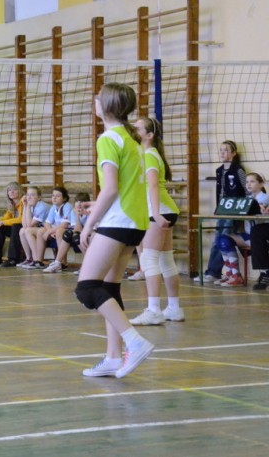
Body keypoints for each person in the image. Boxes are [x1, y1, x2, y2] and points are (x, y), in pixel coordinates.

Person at [75, 83, 152, 379]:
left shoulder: (108, 138)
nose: (94, 101)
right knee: (108, 288)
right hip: (135, 221)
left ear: (106, 105)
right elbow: (124, 188)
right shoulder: (131, 139)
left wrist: (89, 224)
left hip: (118, 222)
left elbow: (110, 189)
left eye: (97, 98)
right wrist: (97, 206)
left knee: (86, 288)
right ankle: (112, 357)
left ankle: (134, 341)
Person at [128, 117, 185, 324]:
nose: (133, 130)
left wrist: (157, 214)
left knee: (149, 259)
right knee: (165, 260)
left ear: (149, 135)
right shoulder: (148, 154)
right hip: (165, 210)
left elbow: (153, 185)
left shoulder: (149, 155)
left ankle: (153, 311)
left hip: (158, 211)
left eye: (138, 128)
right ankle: (174, 308)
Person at [196, 140, 247, 283]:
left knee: (224, 239)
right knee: (216, 241)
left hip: (234, 211)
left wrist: (245, 209)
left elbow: (246, 189)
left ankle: (219, 272)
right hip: (221, 210)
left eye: (226, 150)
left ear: (233, 153)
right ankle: (213, 272)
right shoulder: (219, 170)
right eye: (221, 150)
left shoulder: (238, 170)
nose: (222, 153)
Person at [214, 172, 267, 288]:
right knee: (222, 240)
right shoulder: (247, 199)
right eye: (247, 182)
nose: (248, 184)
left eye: (252, 181)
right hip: (248, 235)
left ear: (261, 184)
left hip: (260, 238)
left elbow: (261, 212)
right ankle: (233, 275)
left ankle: (240, 277)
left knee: (225, 239)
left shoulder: (265, 198)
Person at [45, 192, 91, 273]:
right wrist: (77, 215)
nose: (79, 204)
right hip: (82, 233)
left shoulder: (90, 212)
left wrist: (77, 216)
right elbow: (76, 229)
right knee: (68, 234)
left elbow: (80, 230)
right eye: (77, 201)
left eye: (82, 202)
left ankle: (88, 265)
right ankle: (57, 263)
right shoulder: (74, 211)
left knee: (75, 236)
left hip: (93, 234)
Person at [27, 186, 71, 270]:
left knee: (59, 231)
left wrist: (50, 231)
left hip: (68, 229)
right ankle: (39, 260)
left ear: (64, 198)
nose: (54, 198)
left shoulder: (67, 206)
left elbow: (65, 224)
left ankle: (63, 262)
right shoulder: (53, 207)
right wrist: (50, 231)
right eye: (53, 195)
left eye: (57, 196)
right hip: (56, 229)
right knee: (41, 231)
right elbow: (47, 223)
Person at [0, 182, 26, 267]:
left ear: (20, 191)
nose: (11, 192)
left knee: (15, 226)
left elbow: (21, 219)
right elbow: (6, 217)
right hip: (16, 230)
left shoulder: (23, 202)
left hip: (25, 229)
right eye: (9, 190)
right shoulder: (12, 204)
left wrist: (2, 222)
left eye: (14, 189)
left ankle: (13, 259)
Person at [16, 186, 50, 268]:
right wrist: (25, 206)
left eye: (32, 195)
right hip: (41, 229)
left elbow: (29, 225)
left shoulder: (41, 206)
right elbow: (24, 225)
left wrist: (27, 206)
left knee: (28, 231)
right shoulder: (31, 205)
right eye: (27, 195)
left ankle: (36, 259)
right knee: (22, 231)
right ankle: (29, 259)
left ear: (39, 198)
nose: (29, 197)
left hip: (50, 228)